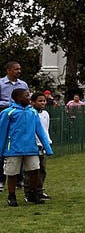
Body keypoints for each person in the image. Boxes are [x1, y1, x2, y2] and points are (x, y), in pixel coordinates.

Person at [0, 88, 52, 206]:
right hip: (13, 149)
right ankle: (11, 196)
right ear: (18, 98)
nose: (29, 98)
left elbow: (40, 131)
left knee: (34, 170)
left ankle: (32, 194)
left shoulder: (32, 112)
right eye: (26, 96)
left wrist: (47, 148)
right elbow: (2, 132)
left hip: (30, 148)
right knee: (12, 173)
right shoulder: (8, 112)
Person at [0, 61, 29, 192]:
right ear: (8, 70)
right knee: (4, 148)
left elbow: (27, 100)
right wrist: (10, 104)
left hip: (19, 120)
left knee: (19, 147)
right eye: (16, 69)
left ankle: (19, 178)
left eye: (20, 69)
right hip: (5, 117)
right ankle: (1, 180)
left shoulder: (23, 84)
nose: (19, 71)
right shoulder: (1, 84)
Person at [27, 92, 52, 202]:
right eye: (40, 101)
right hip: (33, 145)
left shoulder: (45, 114)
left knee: (42, 169)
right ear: (32, 102)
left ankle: (39, 190)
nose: (43, 103)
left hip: (43, 145)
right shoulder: (30, 113)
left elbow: (45, 129)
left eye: (44, 101)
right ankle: (29, 192)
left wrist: (47, 142)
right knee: (32, 170)